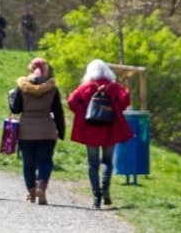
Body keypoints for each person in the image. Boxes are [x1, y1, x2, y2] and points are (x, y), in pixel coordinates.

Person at [67, 59, 134, 209]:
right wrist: (115, 106)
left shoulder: (86, 87)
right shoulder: (115, 87)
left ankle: (96, 196)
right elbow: (125, 101)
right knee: (107, 161)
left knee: (92, 164)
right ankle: (106, 190)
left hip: (91, 129)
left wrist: (82, 112)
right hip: (110, 129)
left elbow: (71, 101)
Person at [8, 57, 65, 205]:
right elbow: (58, 111)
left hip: (26, 130)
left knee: (28, 163)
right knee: (45, 161)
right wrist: (61, 131)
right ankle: (41, 185)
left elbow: (15, 108)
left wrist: (11, 97)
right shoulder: (52, 88)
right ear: (45, 69)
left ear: (31, 68)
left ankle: (31, 193)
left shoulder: (23, 86)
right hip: (47, 130)